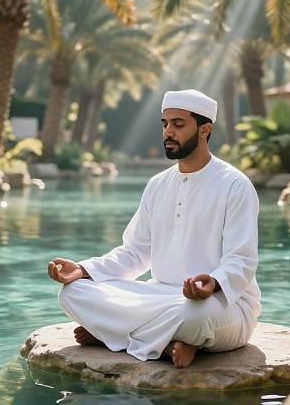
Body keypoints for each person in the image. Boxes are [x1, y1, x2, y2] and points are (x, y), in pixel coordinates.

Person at [48, 89, 261, 368]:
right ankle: (166, 345)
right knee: (74, 293)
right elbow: (135, 254)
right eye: (165, 124)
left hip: (222, 305)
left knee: (193, 317)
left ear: (205, 129)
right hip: (160, 295)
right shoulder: (157, 185)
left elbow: (242, 261)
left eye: (178, 124)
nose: (168, 132)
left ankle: (112, 336)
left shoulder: (235, 185)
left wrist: (214, 283)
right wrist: (83, 270)